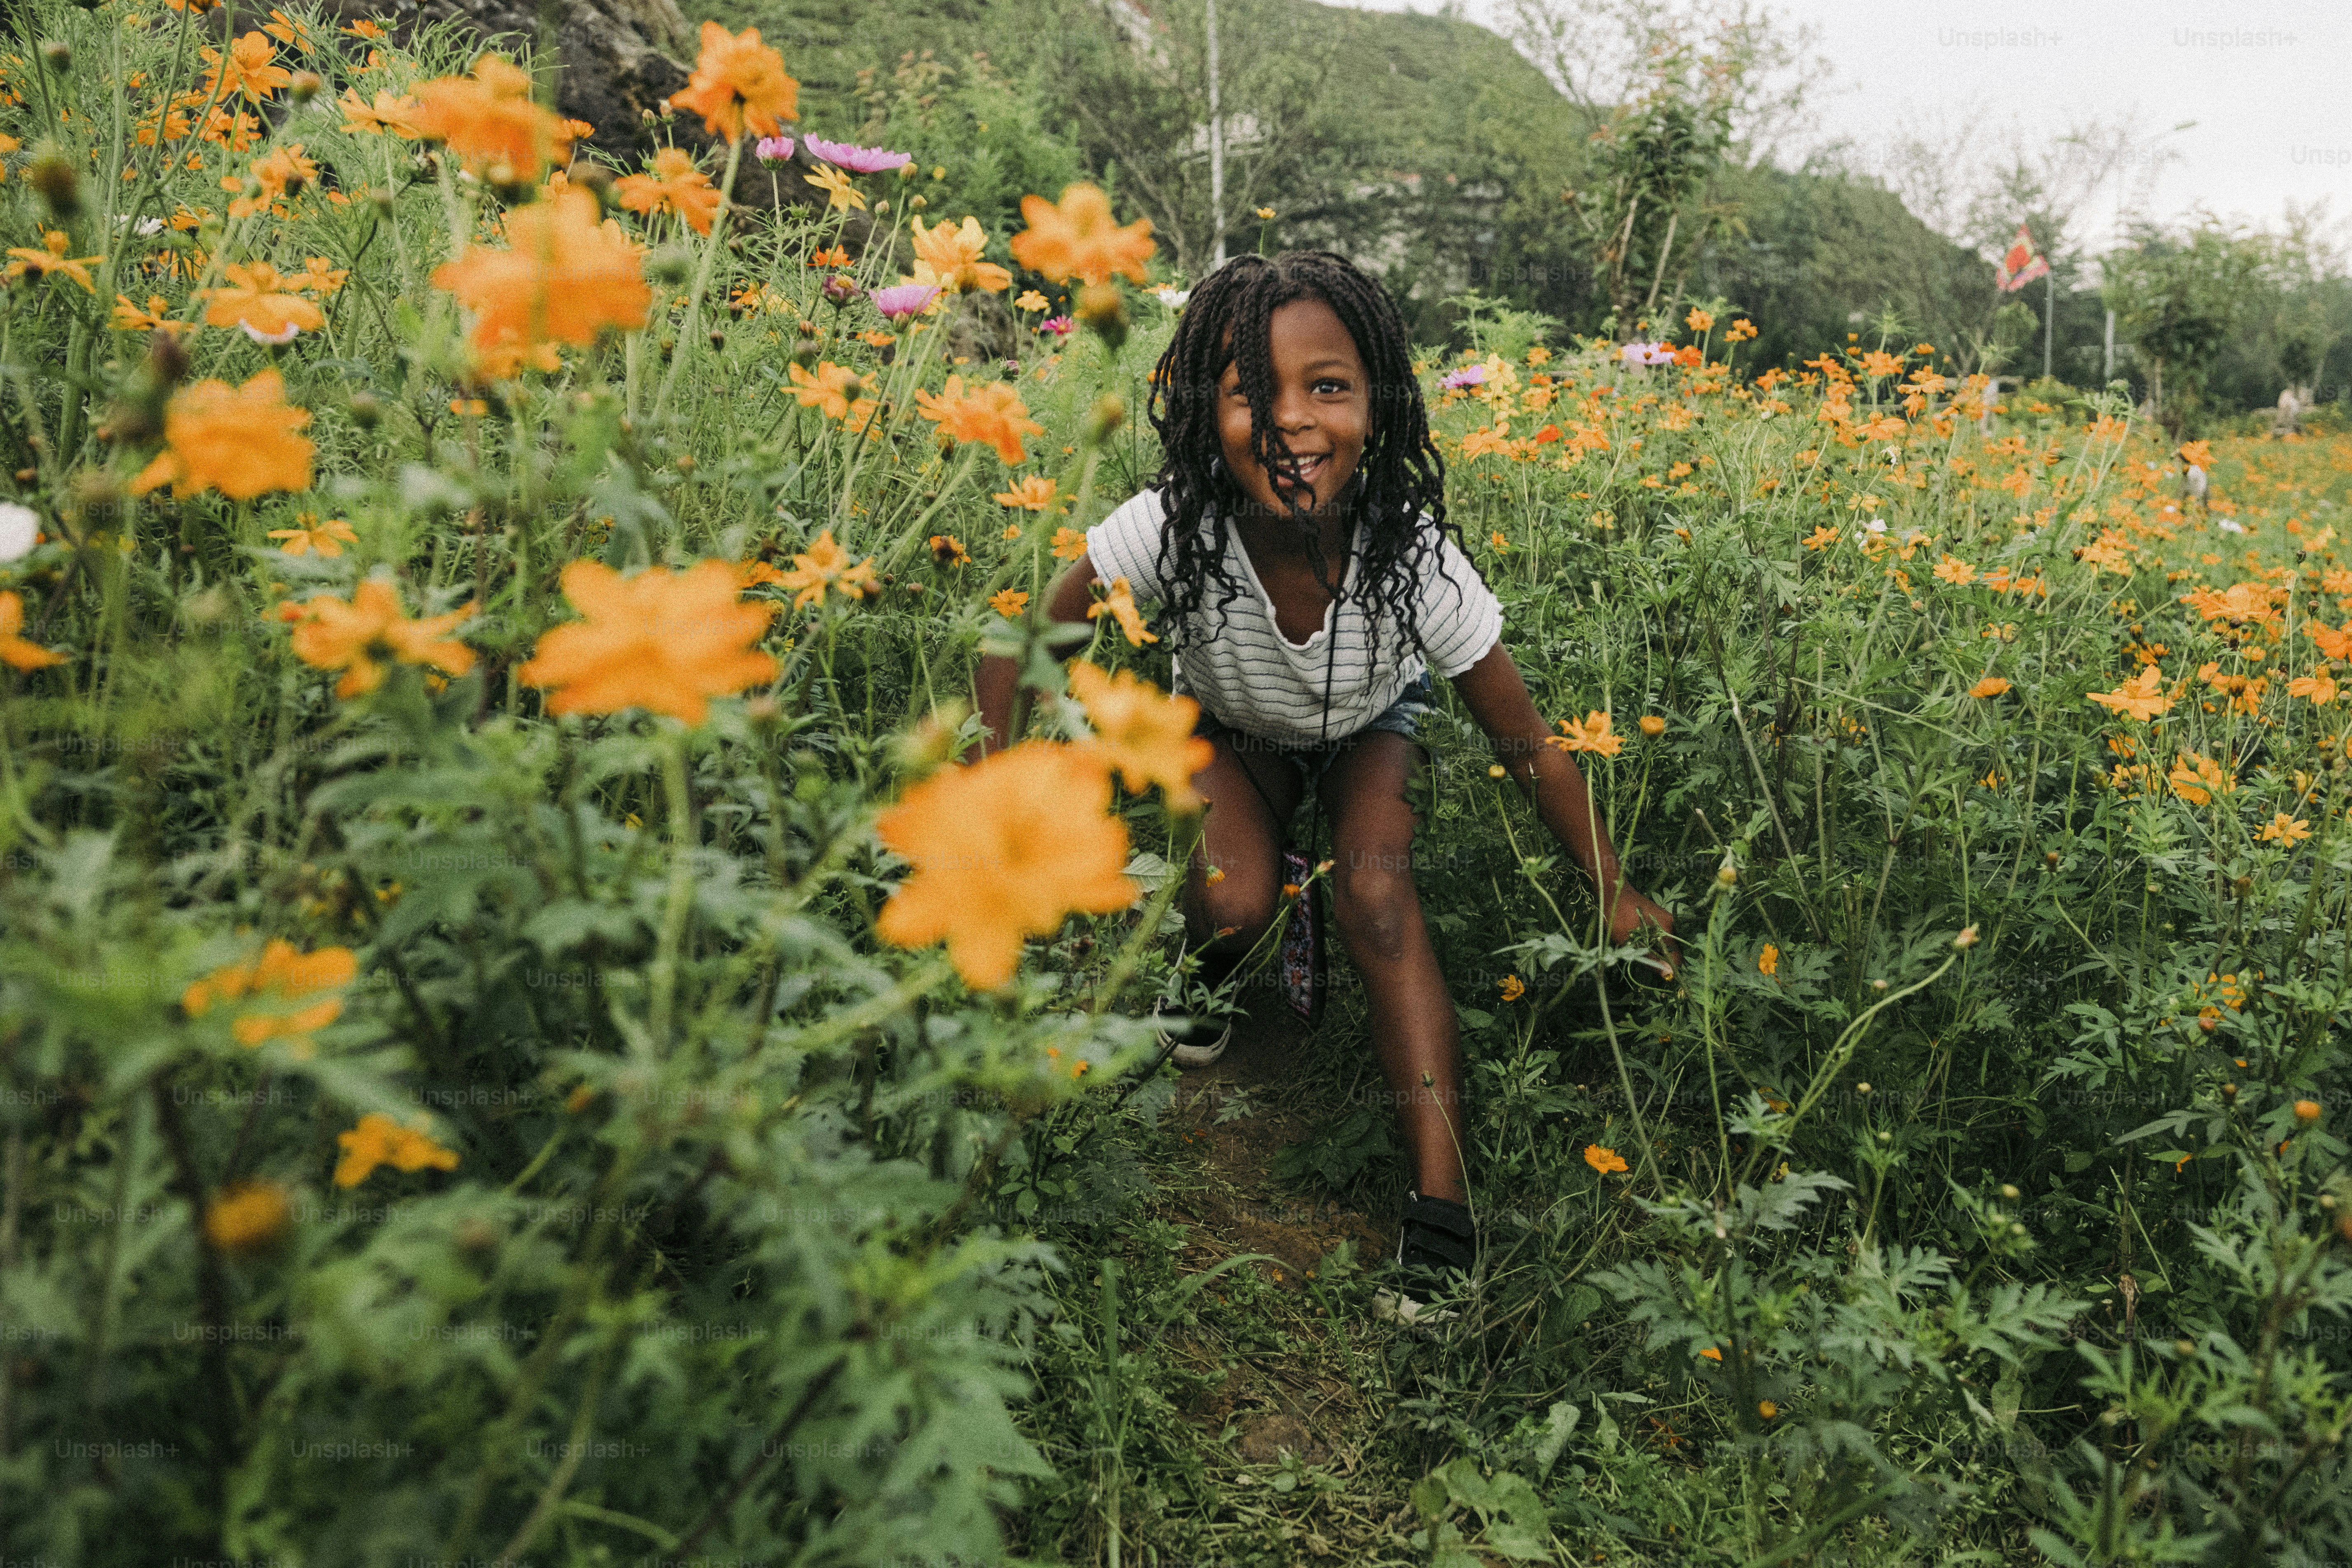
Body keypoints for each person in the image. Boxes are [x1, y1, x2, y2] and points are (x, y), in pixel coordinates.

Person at [973, 251, 1676, 1322]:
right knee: (1237, 898)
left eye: (1328, 386)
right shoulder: (1172, 526)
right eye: (1250, 389)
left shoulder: (1413, 556)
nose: (1291, 419)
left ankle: (1441, 1205)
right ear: (1202, 410)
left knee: (1377, 900)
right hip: (1227, 730)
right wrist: (985, 795)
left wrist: (1611, 887)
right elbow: (1018, 648)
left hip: (1366, 734)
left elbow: (1527, 740)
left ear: (1378, 402)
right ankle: (1212, 965)